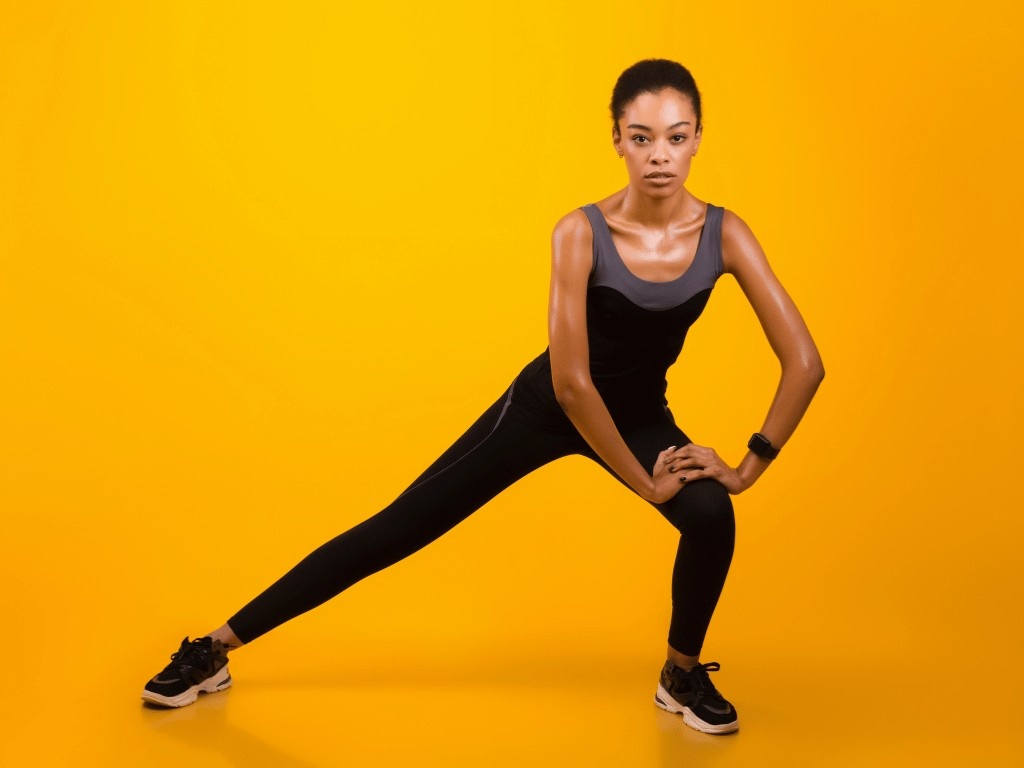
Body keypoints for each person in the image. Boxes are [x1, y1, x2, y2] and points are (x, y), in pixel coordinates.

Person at [141, 58, 824, 735]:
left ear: (699, 138)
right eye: (640, 136)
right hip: (548, 408)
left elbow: (804, 362)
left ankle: (680, 670)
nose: (659, 156)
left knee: (710, 515)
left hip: (640, 415)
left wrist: (743, 469)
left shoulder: (725, 234)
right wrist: (648, 484)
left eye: (676, 136)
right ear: (616, 138)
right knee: (402, 525)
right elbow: (572, 382)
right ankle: (214, 649)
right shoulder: (580, 232)